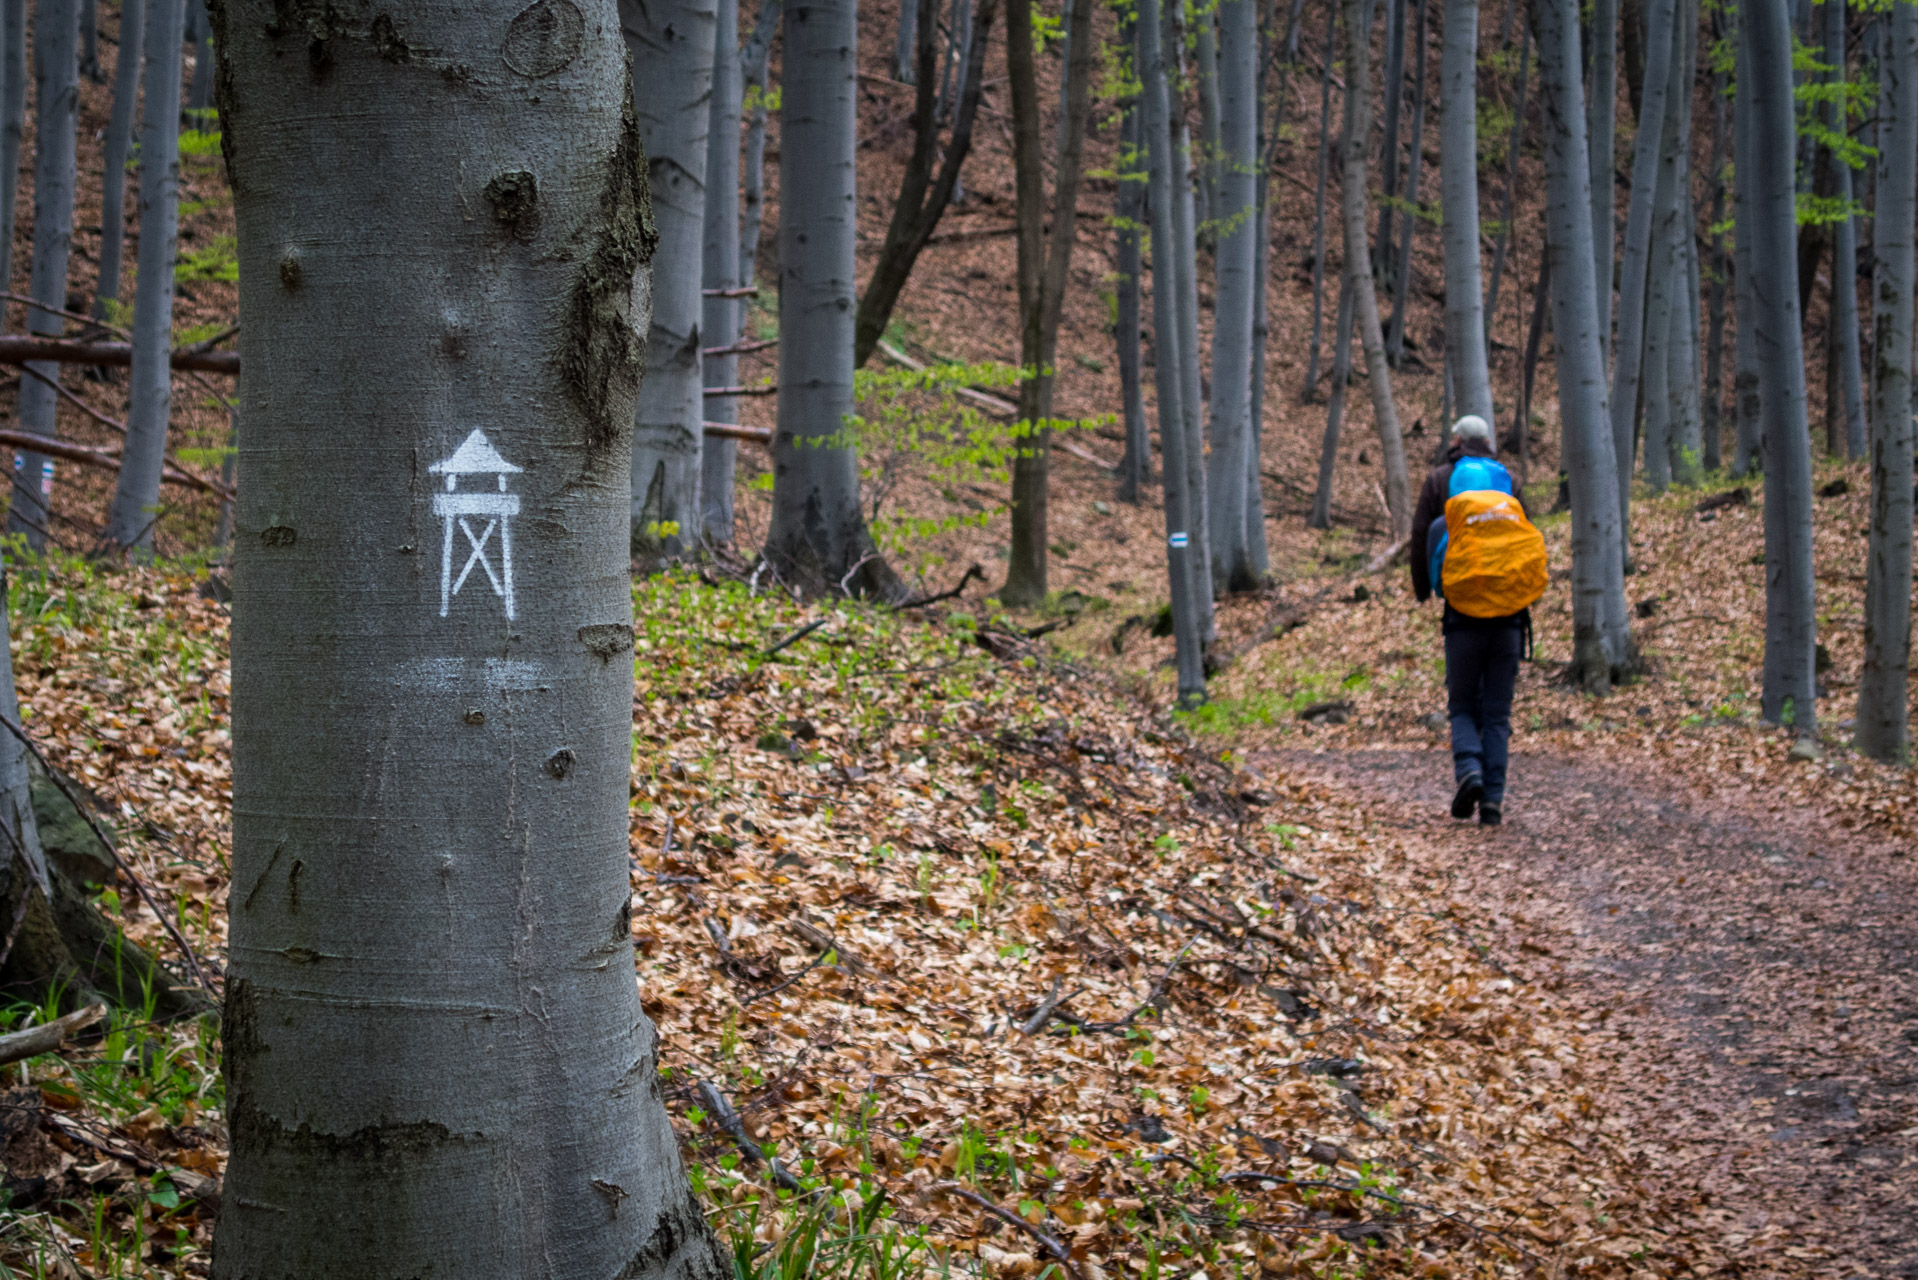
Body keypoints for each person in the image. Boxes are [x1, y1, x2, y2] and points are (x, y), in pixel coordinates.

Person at [1409, 415, 1535, 827]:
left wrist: (1424, 590)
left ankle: (1470, 772)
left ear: (1457, 441)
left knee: (1462, 706)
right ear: (1488, 442)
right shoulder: (1511, 485)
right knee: (1497, 714)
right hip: (1510, 619)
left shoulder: (1439, 481)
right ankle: (1493, 801)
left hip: (1462, 618)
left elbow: (1422, 537)